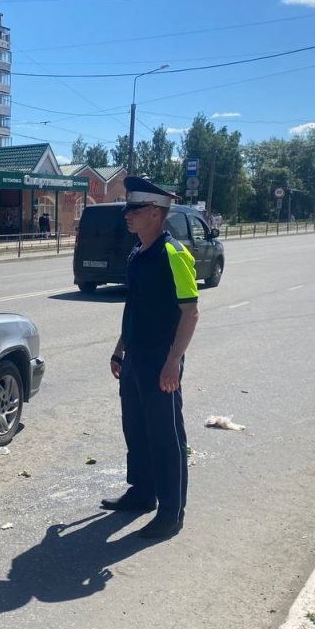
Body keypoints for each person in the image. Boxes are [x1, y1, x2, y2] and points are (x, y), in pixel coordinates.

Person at [100, 175, 200, 540]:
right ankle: (143, 493)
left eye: (134, 209)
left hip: (161, 358)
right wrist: (119, 349)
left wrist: (174, 361)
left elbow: (190, 313)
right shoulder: (137, 252)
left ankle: (172, 513)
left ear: (156, 213)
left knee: (166, 434)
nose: (127, 215)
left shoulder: (174, 253)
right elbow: (135, 309)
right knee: (136, 428)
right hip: (135, 357)